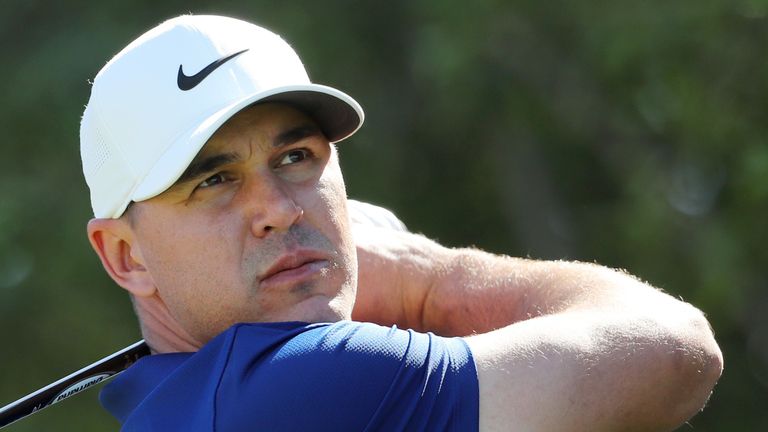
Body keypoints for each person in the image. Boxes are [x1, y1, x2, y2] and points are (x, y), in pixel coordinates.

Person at [80, 14, 722, 431]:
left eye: (295, 157)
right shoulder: (299, 383)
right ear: (125, 256)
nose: (279, 209)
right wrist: (429, 277)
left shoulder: (169, 408)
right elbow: (675, 349)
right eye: (215, 182)